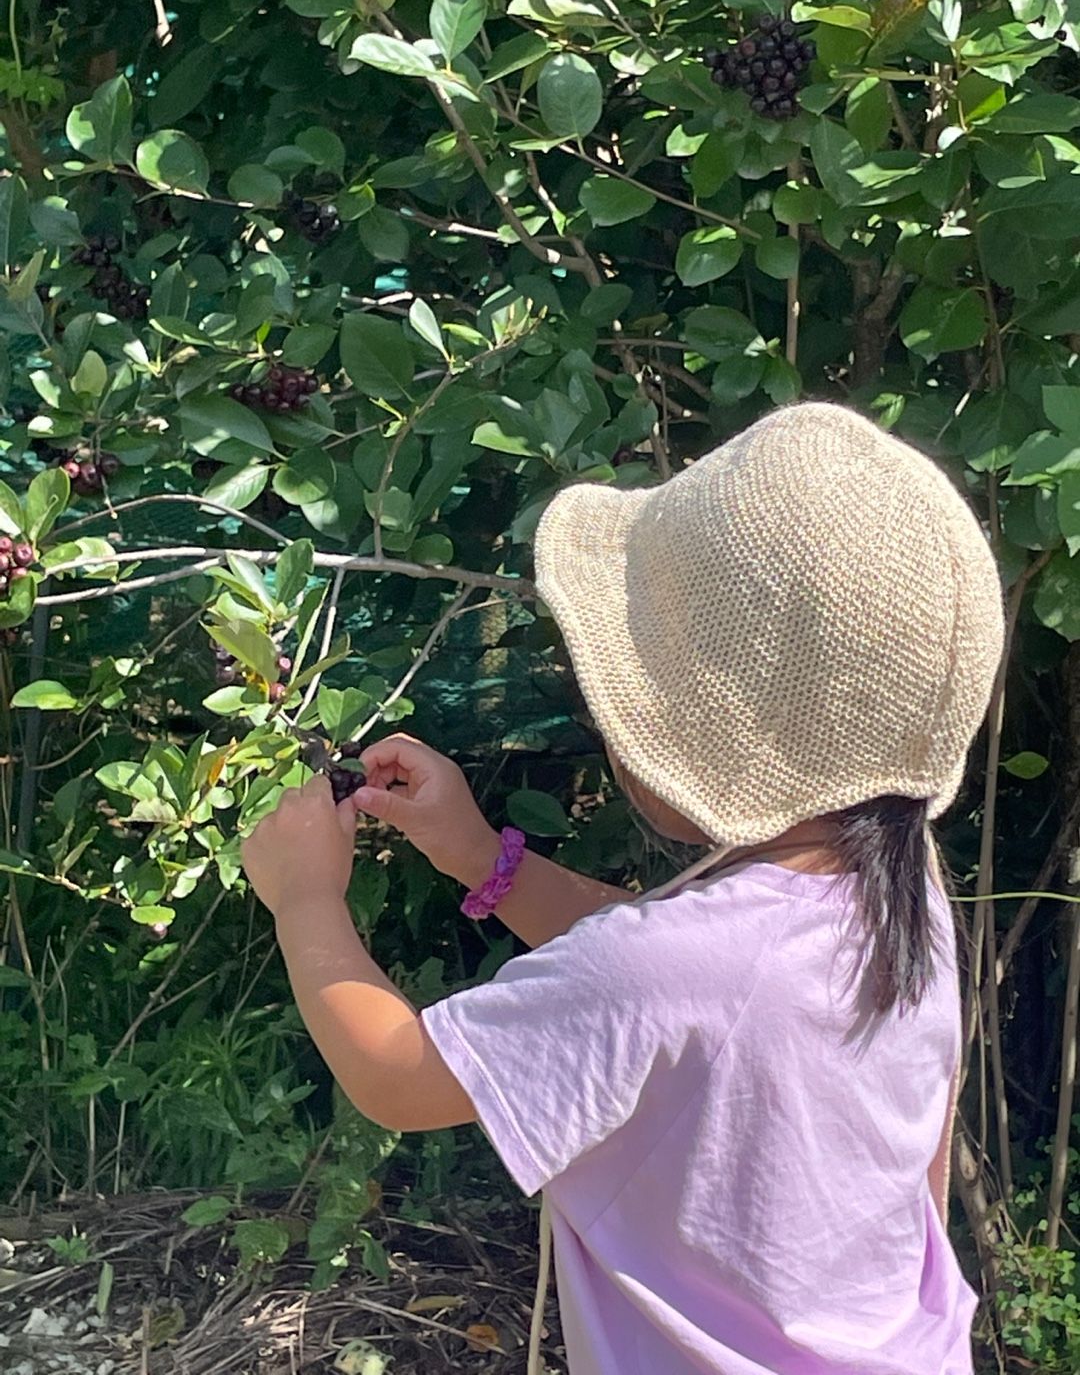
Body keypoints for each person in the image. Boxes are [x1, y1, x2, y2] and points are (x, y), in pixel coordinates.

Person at [241, 401, 1004, 1375]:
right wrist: (483, 857)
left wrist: (305, 899)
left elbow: (396, 1075)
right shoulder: (902, 892)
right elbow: (683, 982)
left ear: (703, 727)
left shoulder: (677, 970)